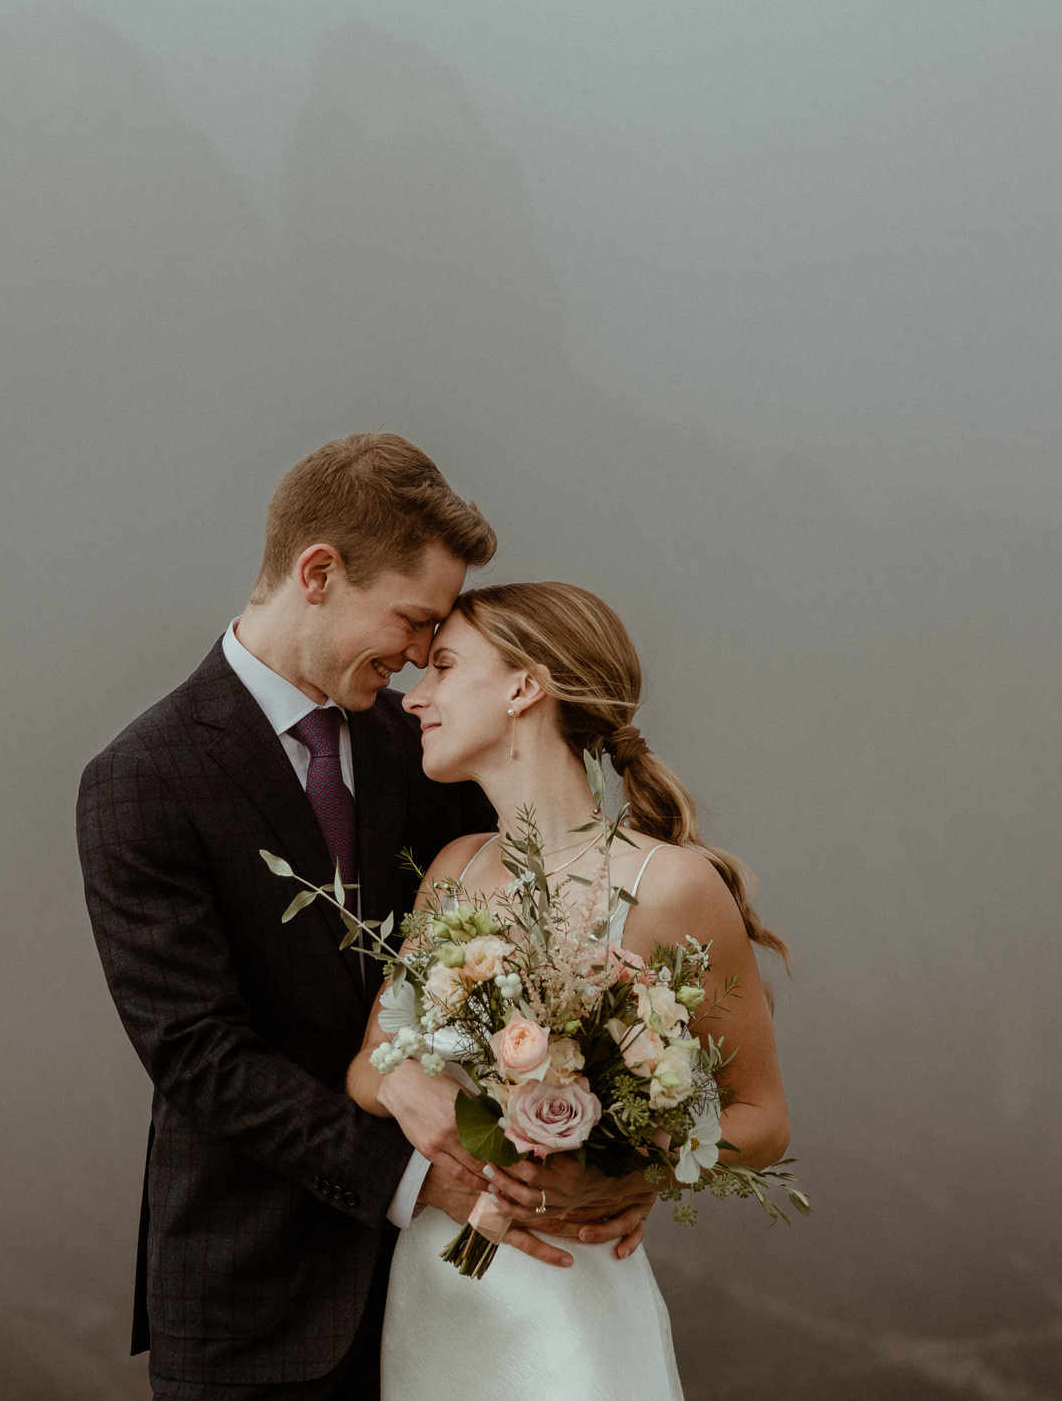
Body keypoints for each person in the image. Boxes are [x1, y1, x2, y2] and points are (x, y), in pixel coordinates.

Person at [77, 435, 647, 1400]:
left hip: (461, 1292)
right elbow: (197, 1052)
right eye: (415, 618)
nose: (424, 655)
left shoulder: (427, 746)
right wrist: (418, 1179)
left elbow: (530, 931)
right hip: (251, 1297)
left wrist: (612, 1152)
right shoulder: (141, 779)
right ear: (318, 573)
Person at [352, 581, 793, 1400]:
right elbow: (370, 1062)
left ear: (526, 686)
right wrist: (407, 1080)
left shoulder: (671, 885)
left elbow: (762, 1117)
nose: (416, 697)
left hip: (569, 1294)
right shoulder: (452, 870)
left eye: (444, 666)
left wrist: (634, 1167)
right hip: (436, 1289)